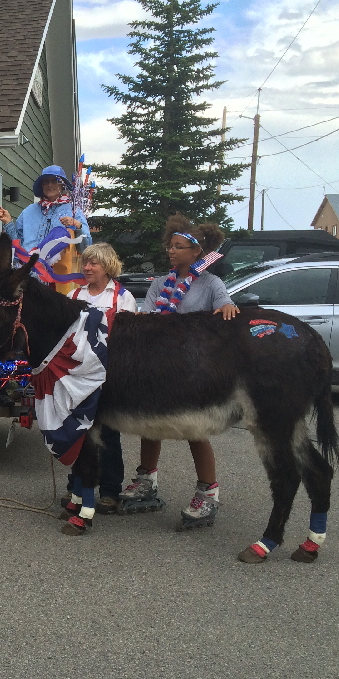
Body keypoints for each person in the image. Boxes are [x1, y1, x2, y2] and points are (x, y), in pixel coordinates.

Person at [124, 213, 240, 528]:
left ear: (197, 252)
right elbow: (149, 316)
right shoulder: (160, 283)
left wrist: (228, 306)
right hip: (159, 365)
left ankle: (207, 493)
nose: (171, 251)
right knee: (149, 423)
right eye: (170, 246)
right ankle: (146, 481)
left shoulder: (211, 283)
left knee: (194, 429)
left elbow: (225, 305)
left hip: (194, 369)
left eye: (178, 247)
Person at [61, 243, 136, 515]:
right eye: (86, 262)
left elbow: (127, 342)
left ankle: (110, 491)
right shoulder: (74, 294)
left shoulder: (122, 297)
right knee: (79, 433)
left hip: (108, 375)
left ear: (108, 266)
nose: (87, 267)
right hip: (78, 377)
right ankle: (77, 487)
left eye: (94, 263)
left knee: (108, 435)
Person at [0, 165, 92, 253]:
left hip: (59, 265)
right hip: (27, 264)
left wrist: (77, 225)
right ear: (42, 186)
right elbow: (16, 245)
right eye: (46, 181)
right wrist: (8, 222)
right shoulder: (29, 211)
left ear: (62, 185)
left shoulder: (74, 211)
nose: (50, 185)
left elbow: (86, 247)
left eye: (54, 181)